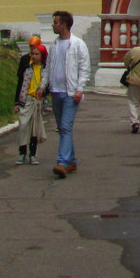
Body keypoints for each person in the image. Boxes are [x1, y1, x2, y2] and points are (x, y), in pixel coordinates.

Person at [45, 10, 91, 179]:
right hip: (56, 91)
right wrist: (43, 86)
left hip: (71, 93)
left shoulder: (78, 45)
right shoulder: (54, 45)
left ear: (63, 25)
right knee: (63, 129)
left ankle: (62, 163)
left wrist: (80, 89)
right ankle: (71, 161)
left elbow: (84, 69)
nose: (53, 25)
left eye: (55, 22)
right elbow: (48, 67)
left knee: (65, 127)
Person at [14, 46, 47, 164]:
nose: (33, 56)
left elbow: (48, 85)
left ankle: (33, 154)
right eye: (32, 54)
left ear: (42, 56)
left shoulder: (44, 70)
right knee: (23, 127)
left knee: (34, 130)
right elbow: (20, 84)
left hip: (36, 101)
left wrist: (43, 94)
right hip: (26, 100)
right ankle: (22, 153)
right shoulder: (27, 68)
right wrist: (17, 103)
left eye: (36, 54)